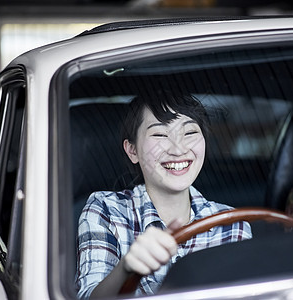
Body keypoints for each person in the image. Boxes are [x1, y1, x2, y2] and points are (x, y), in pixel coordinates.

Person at [75, 91, 252, 299]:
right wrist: (126, 267)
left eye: (189, 133)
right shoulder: (106, 209)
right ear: (132, 150)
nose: (178, 149)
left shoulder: (230, 223)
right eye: (160, 135)